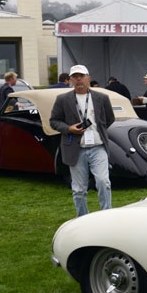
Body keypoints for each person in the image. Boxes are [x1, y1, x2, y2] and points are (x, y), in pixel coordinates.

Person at [49, 65, 115, 217]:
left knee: (103, 182)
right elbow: (54, 121)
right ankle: (82, 219)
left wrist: (99, 131)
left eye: (82, 76)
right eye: (75, 76)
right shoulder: (63, 99)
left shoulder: (101, 98)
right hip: (75, 149)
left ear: (88, 78)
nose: (79, 79)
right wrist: (69, 128)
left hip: (98, 147)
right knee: (79, 189)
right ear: (70, 80)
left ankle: (107, 216)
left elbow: (109, 119)